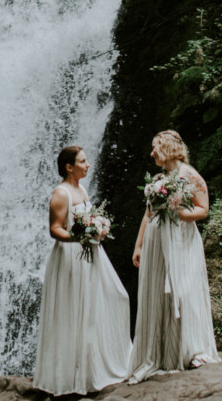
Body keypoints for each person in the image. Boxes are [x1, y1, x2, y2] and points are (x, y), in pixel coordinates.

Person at [32, 145, 132, 396]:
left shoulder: (82, 189)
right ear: (69, 166)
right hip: (70, 258)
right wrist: (80, 238)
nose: (88, 165)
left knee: (111, 300)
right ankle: (71, 377)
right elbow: (55, 228)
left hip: (90, 255)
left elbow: (88, 219)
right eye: (83, 161)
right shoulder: (61, 193)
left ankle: (92, 369)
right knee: (73, 311)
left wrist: (97, 229)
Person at [127, 130, 219, 381]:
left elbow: (203, 209)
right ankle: (163, 353)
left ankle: (193, 351)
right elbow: (147, 215)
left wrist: (178, 213)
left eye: (155, 147)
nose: (152, 152)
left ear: (167, 147)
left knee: (185, 289)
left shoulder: (189, 175)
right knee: (160, 292)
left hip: (181, 240)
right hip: (156, 242)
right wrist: (138, 246)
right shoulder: (159, 178)